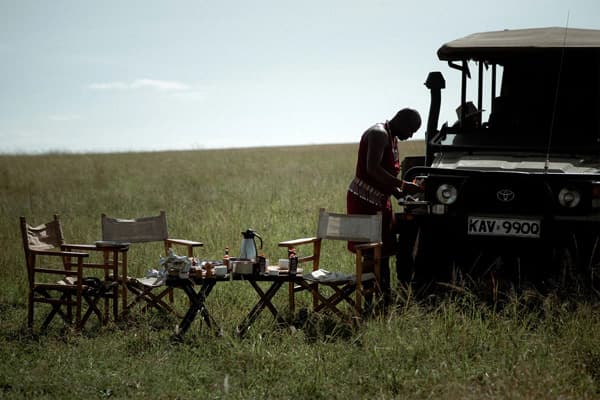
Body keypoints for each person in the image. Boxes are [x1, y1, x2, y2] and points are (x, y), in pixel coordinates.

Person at [346, 108, 422, 306]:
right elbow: (373, 169)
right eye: (412, 130)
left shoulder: (391, 137)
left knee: (384, 248)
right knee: (372, 250)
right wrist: (403, 186)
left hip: (380, 200)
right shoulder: (379, 134)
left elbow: (385, 176)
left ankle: (384, 297)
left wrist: (400, 193)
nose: (411, 135)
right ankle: (373, 301)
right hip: (364, 201)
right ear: (402, 122)